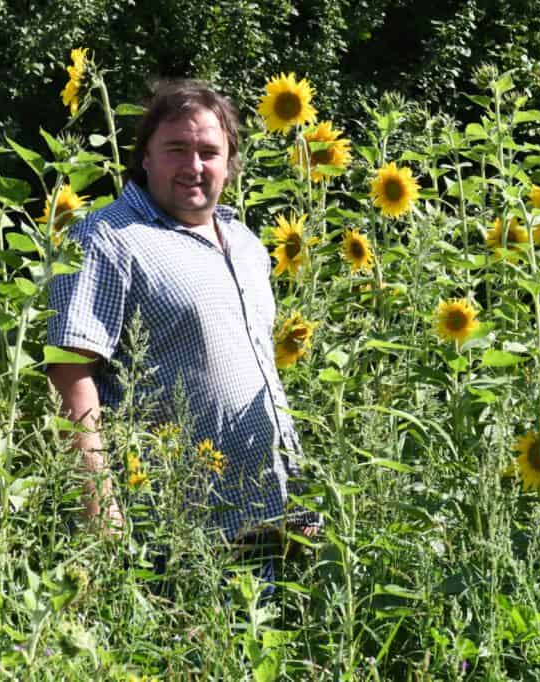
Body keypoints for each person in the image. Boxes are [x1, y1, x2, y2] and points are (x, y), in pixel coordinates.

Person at [47, 79, 319, 558]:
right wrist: (101, 512)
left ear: (229, 164)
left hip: (276, 520)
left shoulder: (248, 245)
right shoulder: (109, 238)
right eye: (176, 149)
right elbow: (70, 373)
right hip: (176, 527)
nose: (194, 166)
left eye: (209, 152)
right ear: (146, 156)